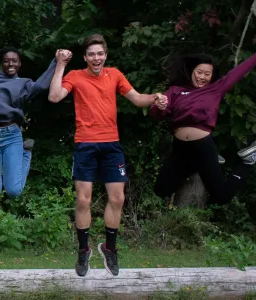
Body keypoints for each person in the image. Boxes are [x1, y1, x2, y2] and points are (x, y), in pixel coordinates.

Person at [48, 34, 165, 277]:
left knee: (117, 199)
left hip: (112, 145)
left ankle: (109, 249)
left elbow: (137, 99)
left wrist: (155, 98)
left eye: (100, 53)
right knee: (83, 200)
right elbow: (55, 96)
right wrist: (60, 64)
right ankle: (83, 250)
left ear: (105, 55)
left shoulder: (115, 75)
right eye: (91, 54)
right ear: (85, 57)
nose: (96, 58)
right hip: (85, 144)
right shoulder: (76, 76)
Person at [150, 38, 256, 207]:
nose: (202, 77)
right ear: (191, 70)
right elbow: (157, 115)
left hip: (203, 146)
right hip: (180, 149)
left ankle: (246, 161)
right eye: (199, 72)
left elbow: (240, 71)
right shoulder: (175, 91)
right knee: (160, 190)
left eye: (207, 74)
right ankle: (206, 162)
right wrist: (160, 106)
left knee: (221, 197)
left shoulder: (215, 89)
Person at [0, 44, 69, 202]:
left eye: (14, 61)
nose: (11, 64)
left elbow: (42, 85)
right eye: (6, 61)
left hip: (12, 136)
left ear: (20, 63)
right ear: (1, 62)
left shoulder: (24, 84)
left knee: (14, 191)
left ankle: (25, 153)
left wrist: (56, 62)